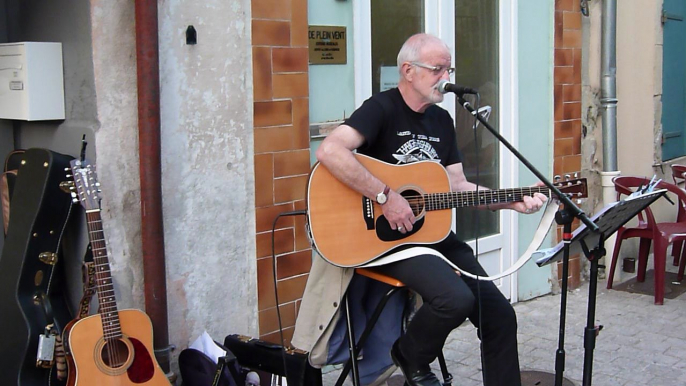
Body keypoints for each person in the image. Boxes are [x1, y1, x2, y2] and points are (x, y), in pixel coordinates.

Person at [292, 33, 547, 386]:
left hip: (432, 236)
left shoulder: (442, 121)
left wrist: (511, 200)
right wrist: (386, 196)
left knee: (500, 315)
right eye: (438, 69)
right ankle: (409, 354)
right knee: (453, 299)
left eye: (449, 69)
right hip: (385, 240)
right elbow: (330, 152)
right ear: (408, 70)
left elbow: (456, 186)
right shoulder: (381, 108)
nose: (446, 77)